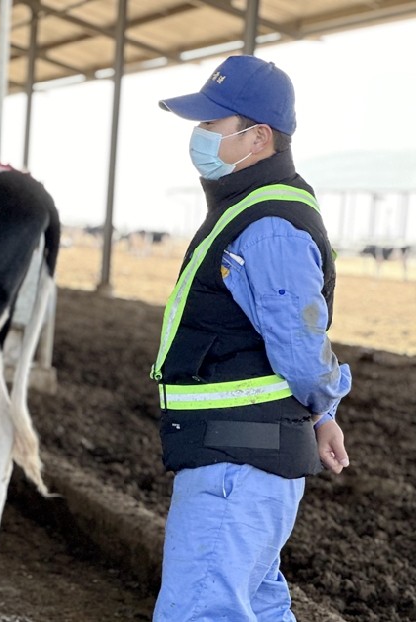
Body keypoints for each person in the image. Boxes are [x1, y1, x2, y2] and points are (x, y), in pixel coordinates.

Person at [150, 54, 352, 621]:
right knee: (257, 608)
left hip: (237, 467)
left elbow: (303, 348)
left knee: (200, 611)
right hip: (244, 462)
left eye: (212, 125)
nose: (199, 136)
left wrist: (326, 403)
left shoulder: (267, 225)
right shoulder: (247, 210)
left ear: (256, 136)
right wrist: (321, 417)